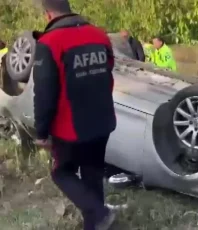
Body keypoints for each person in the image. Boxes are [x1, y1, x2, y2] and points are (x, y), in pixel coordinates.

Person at [33, 0, 116, 229]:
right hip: (102, 120)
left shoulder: (49, 42)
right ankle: (97, 221)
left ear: (48, 14)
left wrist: (41, 132)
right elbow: (107, 74)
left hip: (70, 127)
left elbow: (44, 93)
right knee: (92, 173)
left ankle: (99, 213)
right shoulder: (100, 36)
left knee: (61, 173)